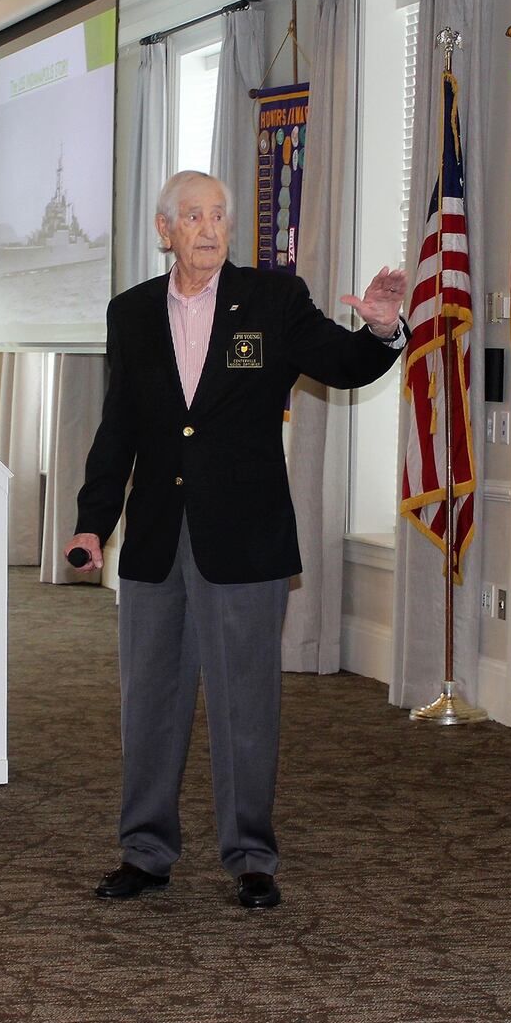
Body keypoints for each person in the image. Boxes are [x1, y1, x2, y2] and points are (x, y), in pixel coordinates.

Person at [65, 169, 406, 909]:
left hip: (244, 539)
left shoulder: (275, 301)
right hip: (158, 538)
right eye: (193, 216)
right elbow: (117, 427)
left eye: (219, 214)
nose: (211, 227)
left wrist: (380, 329)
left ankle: (251, 856)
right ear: (166, 231)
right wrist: (95, 521)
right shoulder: (130, 314)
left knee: (245, 700)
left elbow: (342, 363)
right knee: (149, 700)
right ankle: (145, 851)